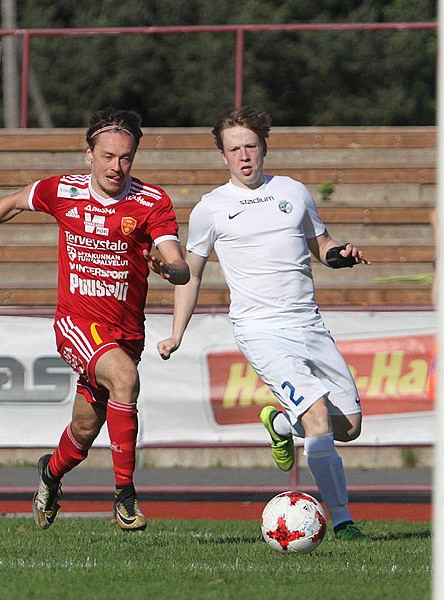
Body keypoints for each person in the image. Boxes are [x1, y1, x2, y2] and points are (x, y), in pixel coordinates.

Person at [0, 107, 190, 532]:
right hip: (76, 323)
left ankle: (49, 476)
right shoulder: (63, 190)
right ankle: (124, 498)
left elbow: (179, 264)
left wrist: (170, 269)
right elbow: (13, 202)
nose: (117, 166)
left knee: (84, 431)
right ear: (88, 153)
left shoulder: (151, 202)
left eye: (126, 158)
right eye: (108, 156)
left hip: (126, 330)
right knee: (125, 379)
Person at [157, 106, 372, 540]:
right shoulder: (211, 209)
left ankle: (279, 422)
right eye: (234, 149)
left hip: (308, 324)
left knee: (348, 426)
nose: (244, 155)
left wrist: (339, 255)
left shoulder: (294, 192)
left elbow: (321, 244)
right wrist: (177, 332)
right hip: (260, 330)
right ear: (223, 157)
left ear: (264, 148)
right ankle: (343, 520)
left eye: (250, 145)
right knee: (316, 414)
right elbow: (192, 272)